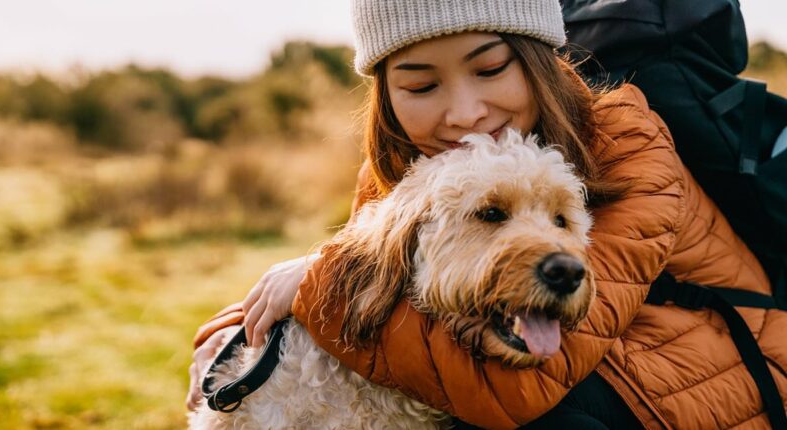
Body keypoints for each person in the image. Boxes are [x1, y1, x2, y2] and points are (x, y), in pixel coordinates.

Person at [187, 1, 787, 428]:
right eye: (421, 86)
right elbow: (370, 289)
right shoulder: (405, 169)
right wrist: (235, 346)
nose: (465, 112)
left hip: (722, 376)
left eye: (490, 68)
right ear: (387, 98)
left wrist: (319, 284)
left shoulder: (628, 140)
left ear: (538, 60)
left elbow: (524, 383)